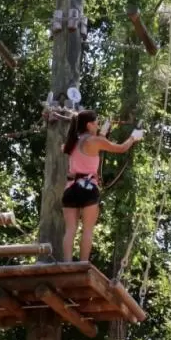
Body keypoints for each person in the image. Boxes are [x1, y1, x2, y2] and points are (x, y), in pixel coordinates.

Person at [61, 109, 142, 262]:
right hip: (88, 188)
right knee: (87, 229)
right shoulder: (94, 141)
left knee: (70, 229)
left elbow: (88, 147)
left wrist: (103, 133)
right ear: (89, 124)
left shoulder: (72, 143)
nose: (98, 124)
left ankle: (67, 263)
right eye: (96, 122)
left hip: (71, 188)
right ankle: (83, 264)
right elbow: (121, 148)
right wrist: (133, 137)